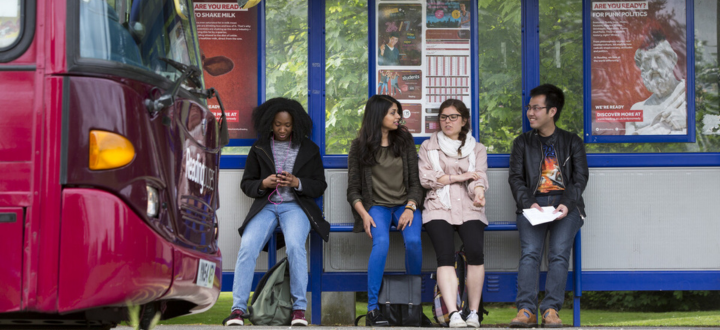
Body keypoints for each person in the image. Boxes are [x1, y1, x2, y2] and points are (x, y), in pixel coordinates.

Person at [223, 98, 329, 327]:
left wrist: (297, 181)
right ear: (270, 124)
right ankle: (238, 310)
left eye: (287, 125)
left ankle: (299, 310)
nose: (282, 129)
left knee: (295, 247)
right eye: (278, 124)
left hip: (296, 207)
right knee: (247, 247)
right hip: (267, 206)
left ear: (295, 125)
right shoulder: (259, 147)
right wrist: (264, 183)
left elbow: (320, 185)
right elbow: (246, 184)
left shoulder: (310, 149)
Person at [508, 84, 588, 328]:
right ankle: (526, 310)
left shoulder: (572, 141)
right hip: (533, 204)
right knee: (530, 253)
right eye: (529, 107)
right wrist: (528, 202)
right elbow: (516, 178)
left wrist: (566, 204)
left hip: (567, 204)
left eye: (536, 108)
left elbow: (580, 177)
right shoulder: (522, 143)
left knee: (559, 255)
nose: (530, 113)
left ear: (552, 111)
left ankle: (551, 310)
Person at [347, 94, 423, 326]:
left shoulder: (405, 141)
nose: (398, 116)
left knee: (413, 242)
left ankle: (414, 306)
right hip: (376, 207)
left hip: (404, 205)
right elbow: (353, 190)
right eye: (393, 112)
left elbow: (416, 183)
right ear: (377, 115)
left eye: (398, 112)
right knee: (381, 242)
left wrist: (410, 207)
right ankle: (373, 309)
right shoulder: (359, 146)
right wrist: (364, 214)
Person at [418, 99, 488, 328]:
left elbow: (480, 177)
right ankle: (454, 313)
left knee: (476, 252)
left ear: (464, 120)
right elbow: (427, 179)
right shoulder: (428, 147)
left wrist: (478, 191)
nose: (447, 121)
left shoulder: (477, 148)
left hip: (469, 205)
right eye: (444, 117)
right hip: (439, 205)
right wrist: (460, 177)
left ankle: (474, 312)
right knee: (445, 255)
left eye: (453, 117)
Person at [626, 29, 686, 135]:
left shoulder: (690, 93)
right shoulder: (637, 110)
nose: (653, 66)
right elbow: (628, 147)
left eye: (659, 59)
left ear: (672, 61)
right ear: (642, 67)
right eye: (648, 61)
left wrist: (689, 121)